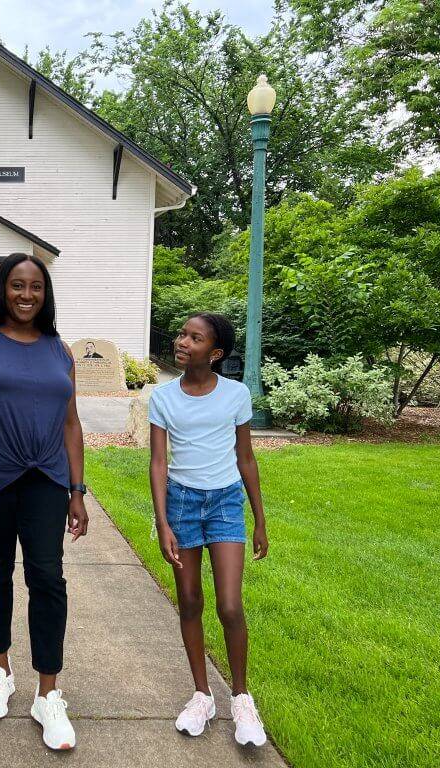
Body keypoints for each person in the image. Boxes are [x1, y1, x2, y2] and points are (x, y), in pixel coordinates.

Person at [0, 252, 88, 752]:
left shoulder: (60, 350)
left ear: (45, 294)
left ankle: (48, 693)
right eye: (17, 286)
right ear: (1, 290)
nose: (26, 295)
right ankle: (0, 669)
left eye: (36, 287)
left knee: (47, 576)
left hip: (47, 478)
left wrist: (78, 489)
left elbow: (71, 423)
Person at [148, 312, 270, 747]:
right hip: (181, 504)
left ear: (214, 354)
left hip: (224, 504)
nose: (182, 341)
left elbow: (246, 458)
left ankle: (240, 697)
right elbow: (159, 463)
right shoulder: (162, 398)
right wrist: (162, 523)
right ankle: (202, 695)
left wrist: (259, 519)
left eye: (194, 338)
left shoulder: (236, 394)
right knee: (189, 602)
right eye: (182, 334)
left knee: (230, 606)